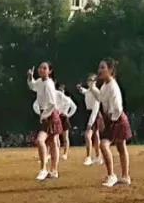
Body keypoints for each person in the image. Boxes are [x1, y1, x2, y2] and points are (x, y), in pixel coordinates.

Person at [83, 58, 132, 187]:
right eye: (99, 67)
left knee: (104, 145)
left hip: (116, 119)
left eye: (103, 67)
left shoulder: (113, 86)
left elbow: (118, 108)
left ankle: (112, 176)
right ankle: (125, 176)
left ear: (110, 70)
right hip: (113, 119)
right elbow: (101, 98)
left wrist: (110, 121)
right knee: (121, 147)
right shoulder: (105, 85)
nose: (99, 70)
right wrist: (92, 87)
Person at [27, 62, 62, 182]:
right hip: (46, 113)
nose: (41, 70)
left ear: (49, 71)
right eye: (40, 68)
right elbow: (32, 86)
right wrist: (30, 77)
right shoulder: (40, 81)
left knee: (41, 140)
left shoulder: (49, 84)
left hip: (50, 114)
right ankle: (53, 171)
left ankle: (44, 169)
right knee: (52, 142)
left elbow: (52, 104)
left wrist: (44, 116)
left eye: (44, 68)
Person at [80, 75, 101, 166]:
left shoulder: (96, 91)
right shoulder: (89, 90)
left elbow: (96, 108)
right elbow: (86, 92)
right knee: (96, 135)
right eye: (88, 80)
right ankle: (98, 157)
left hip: (94, 114)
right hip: (89, 113)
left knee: (88, 135)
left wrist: (90, 123)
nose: (89, 82)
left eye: (92, 80)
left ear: (95, 81)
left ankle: (88, 157)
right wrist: (80, 88)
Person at [55, 83, 76, 161]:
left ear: (64, 91)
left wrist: (68, 115)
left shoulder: (67, 99)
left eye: (62, 90)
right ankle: (56, 152)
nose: (61, 91)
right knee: (56, 137)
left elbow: (74, 107)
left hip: (64, 118)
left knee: (65, 137)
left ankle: (65, 154)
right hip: (57, 118)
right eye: (59, 89)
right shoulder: (55, 98)